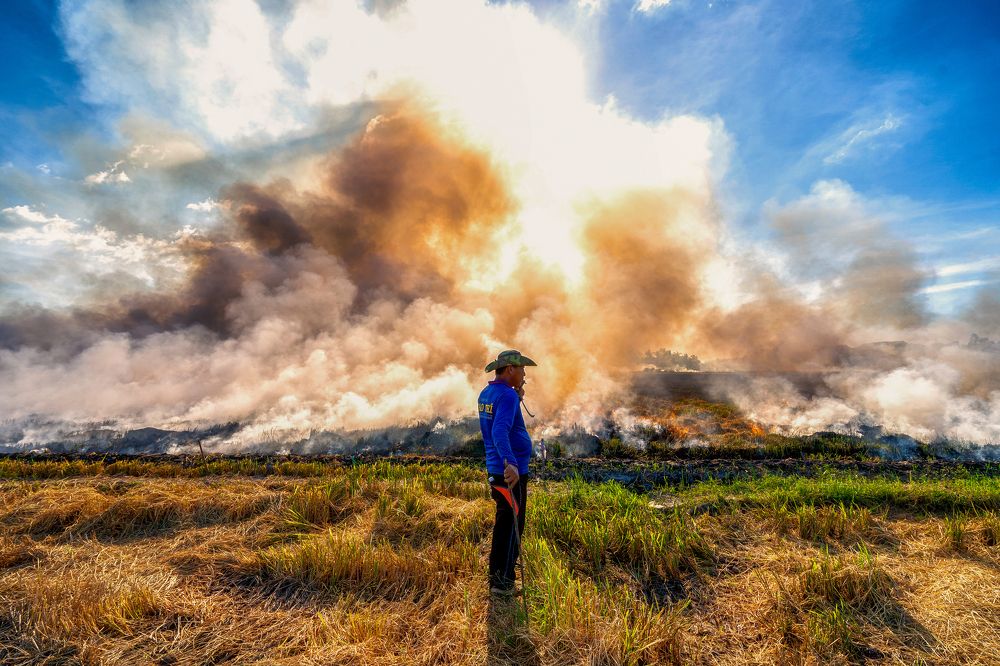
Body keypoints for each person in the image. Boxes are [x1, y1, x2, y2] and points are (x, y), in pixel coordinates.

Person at [478, 349, 536, 596]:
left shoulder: (489, 393)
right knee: (511, 526)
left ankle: (500, 579)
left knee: (505, 523)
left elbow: (499, 423)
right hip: (510, 472)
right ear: (510, 369)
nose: (524, 373)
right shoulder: (507, 397)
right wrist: (510, 463)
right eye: (521, 368)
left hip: (497, 468)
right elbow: (498, 432)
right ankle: (502, 583)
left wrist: (516, 394)